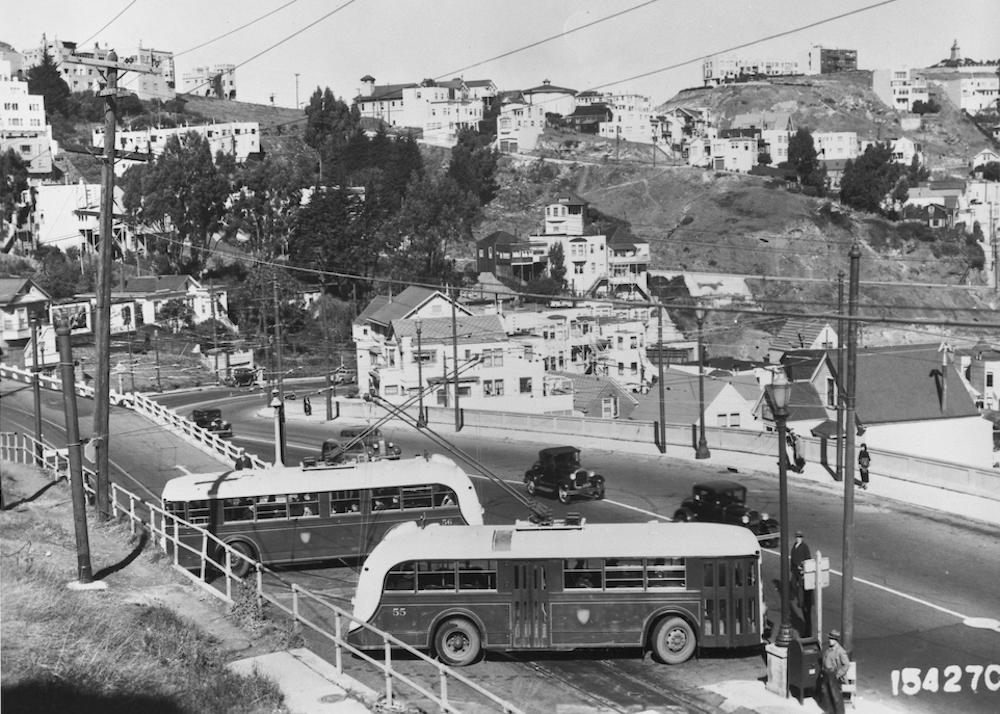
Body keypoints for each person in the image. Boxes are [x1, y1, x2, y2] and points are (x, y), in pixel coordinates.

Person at [819, 629, 850, 714]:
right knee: (826, 694)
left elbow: (846, 664)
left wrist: (838, 674)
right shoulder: (828, 649)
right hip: (826, 674)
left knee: (836, 697)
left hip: (833, 675)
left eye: (832, 639)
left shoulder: (840, 651)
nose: (830, 640)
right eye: (830, 638)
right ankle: (830, 711)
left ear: (836, 640)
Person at [789, 530, 813, 636]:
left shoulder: (804, 547)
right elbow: (792, 560)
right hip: (796, 571)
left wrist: (802, 567)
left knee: (801, 588)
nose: (798, 538)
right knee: (794, 585)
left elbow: (808, 559)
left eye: (800, 537)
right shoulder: (795, 546)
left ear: (802, 538)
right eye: (797, 536)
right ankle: (798, 600)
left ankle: (801, 602)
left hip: (802, 572)